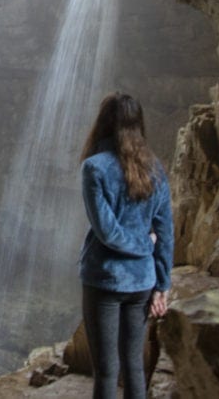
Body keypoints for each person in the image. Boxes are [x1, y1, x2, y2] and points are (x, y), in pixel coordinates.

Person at [78, 92, 173, 399]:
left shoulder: (94, 168)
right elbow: (165, 232)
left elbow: (107, 232)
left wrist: (144, 246)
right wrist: (162, 283)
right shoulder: (155, 168)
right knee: (134, 366)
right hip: (142, 282)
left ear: (103, 123)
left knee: (106, 370)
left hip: (105, 280)